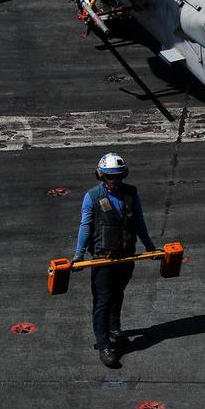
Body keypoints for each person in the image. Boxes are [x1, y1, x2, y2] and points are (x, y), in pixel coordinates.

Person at [73, 153, 157, 368]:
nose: (116, 181)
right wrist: (79, 254)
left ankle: (114, 327)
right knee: (102, 300)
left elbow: (139, 221)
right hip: (103, 258)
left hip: (126, 256)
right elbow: (85, 226)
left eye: (119, 176)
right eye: (111, 178)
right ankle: (104, 345)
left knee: (118, 292)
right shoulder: (91, 197)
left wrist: (149, 246)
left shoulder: (131, 193)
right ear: (101, 176)